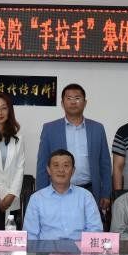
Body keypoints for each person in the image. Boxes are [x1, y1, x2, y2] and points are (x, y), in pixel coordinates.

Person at [37, 84, 111, 212]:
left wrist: (106, 192)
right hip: (58, 190)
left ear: (85, 102)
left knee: (89, 224)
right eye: (69, 98)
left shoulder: (97, 128)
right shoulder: (50, 129)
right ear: (62, 103)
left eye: (77, 98)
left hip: (90, 190)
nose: (73, 102)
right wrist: (41, 194)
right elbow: (42, 165)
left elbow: (105, 163)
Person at [24, 149, 103, 240]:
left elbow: (95, 231)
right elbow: (30, 235)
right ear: (48, 170)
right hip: (47, 248)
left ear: (73, 170)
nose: (61, 170)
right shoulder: (36, 199)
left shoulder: (86, 196)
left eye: (66, 166)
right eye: (56, 165)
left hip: (79, 247)